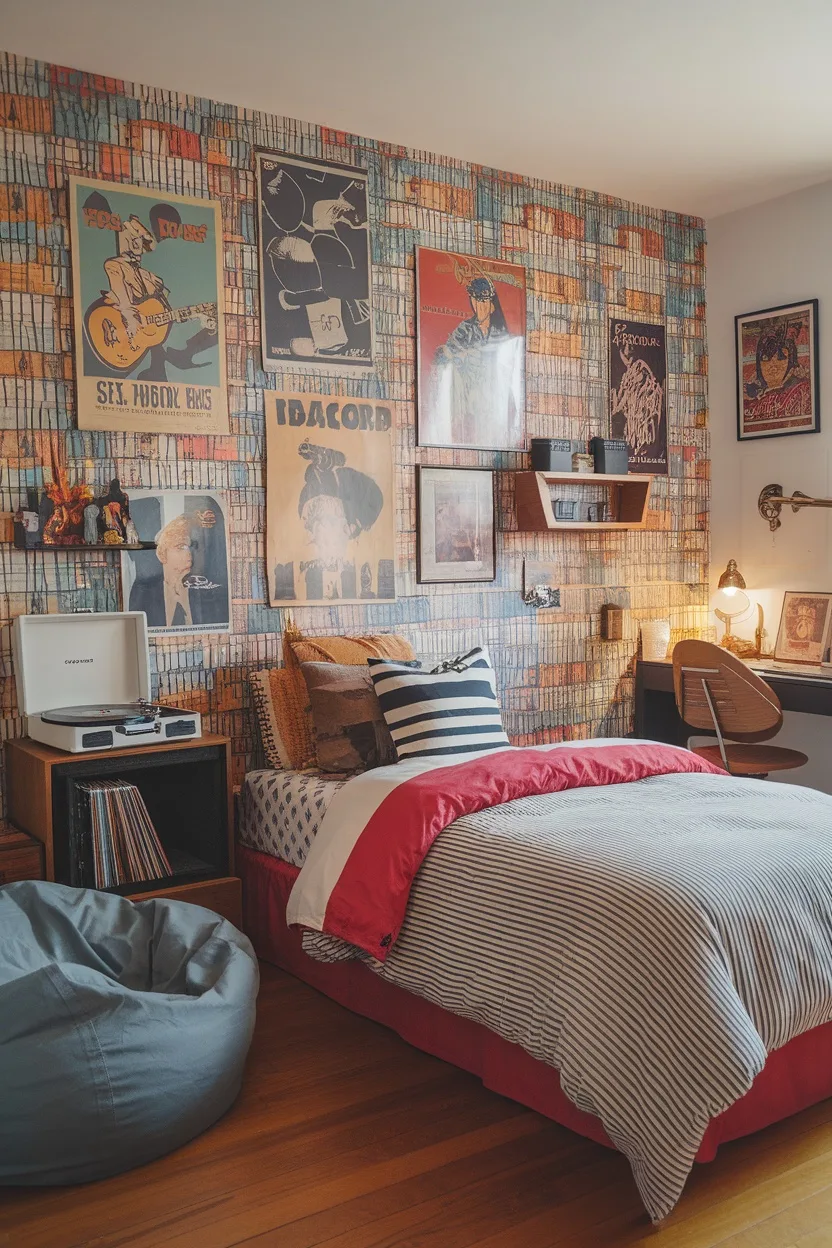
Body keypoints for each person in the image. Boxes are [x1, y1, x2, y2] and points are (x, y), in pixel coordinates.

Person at [430, 275, 522, 447]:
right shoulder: (464, 330)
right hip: (469, 397)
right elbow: (445, 357)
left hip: (493, 399)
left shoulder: (502, 334)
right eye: (475, 301)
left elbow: (508, 366)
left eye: (483, 301)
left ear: (492, 304)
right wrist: (451, 355)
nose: (479, 307)